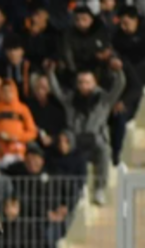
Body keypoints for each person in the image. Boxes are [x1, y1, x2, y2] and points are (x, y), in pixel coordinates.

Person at [46, 62, 125, 205]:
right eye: (81, 82)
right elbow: (56, 91)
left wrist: (118, 71)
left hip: (95, 140)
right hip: (75, 140)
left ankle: (99, 189)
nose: (84, 85)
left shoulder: (104, 100)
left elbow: (119, 86)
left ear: (94, 83)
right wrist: (50, 73)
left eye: (87, 82)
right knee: (65, 144)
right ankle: (79, 187)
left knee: (104, 149)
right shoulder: (70, 100)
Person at [0, 79, 37, 164]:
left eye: (10, 91)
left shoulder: (23, 109)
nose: (7, 93)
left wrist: (17, 137)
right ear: (0, 92)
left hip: (17, 153)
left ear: (15, 91)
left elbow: (32, 132)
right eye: (4, 91)